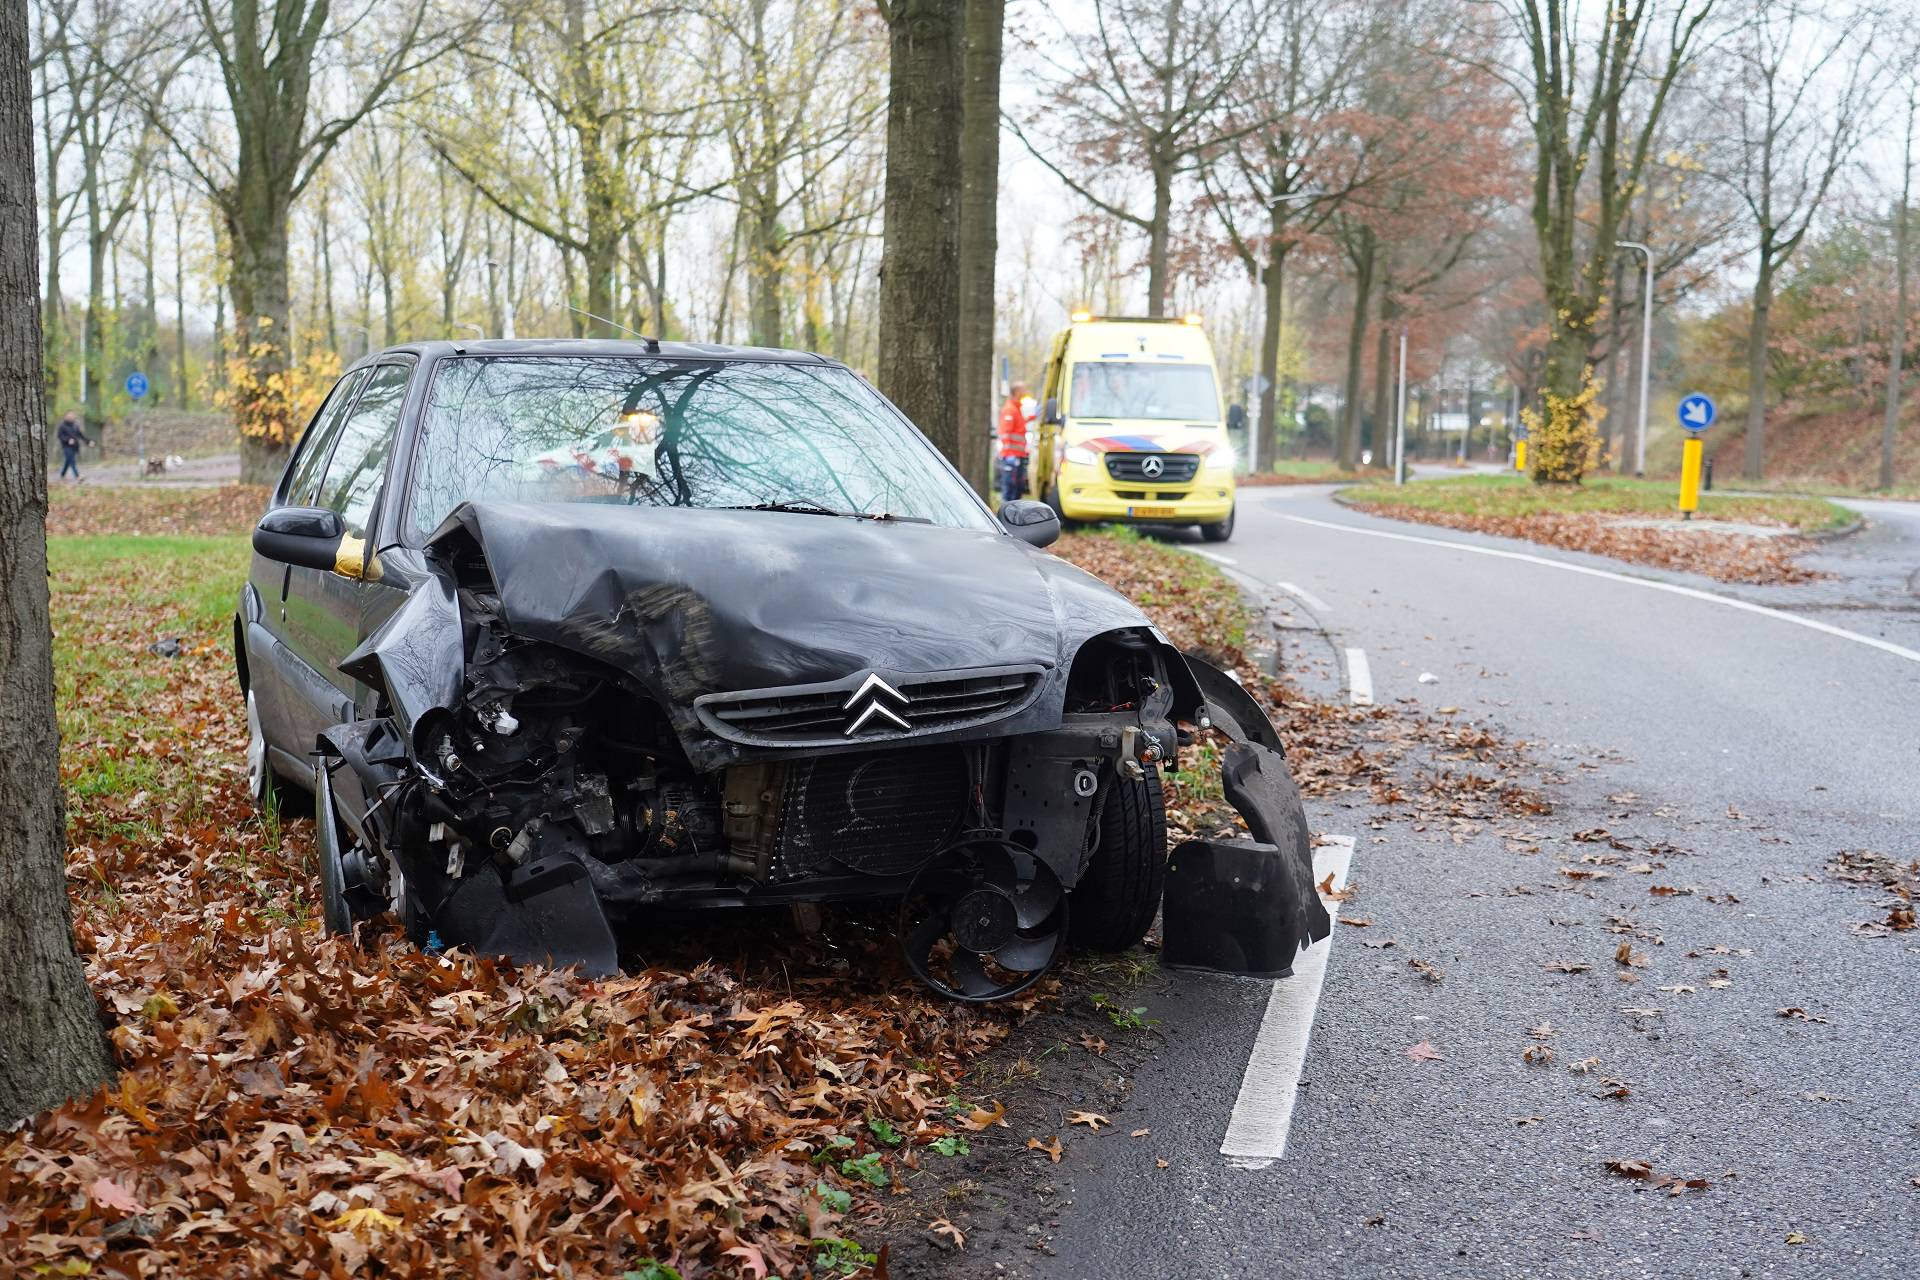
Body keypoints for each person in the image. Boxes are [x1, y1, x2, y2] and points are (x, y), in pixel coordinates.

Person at [996, 381, 1033, 503]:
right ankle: (1007, 512)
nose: (1025, 392)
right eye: (1023, 390)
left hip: (1018, 455)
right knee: (1010, 488)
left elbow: (1018, 427)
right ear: (1017, 392)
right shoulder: (1010, 409)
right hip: (1011, 456)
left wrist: (1031, 418)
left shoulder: (1016, 409)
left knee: (1017, 488)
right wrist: (1009, 455)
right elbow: (1005, 433)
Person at [56, 412, 92, 481]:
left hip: (75, 446)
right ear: (65, 416)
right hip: (66, 447)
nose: (71, 417)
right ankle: (77, 476)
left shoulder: (75, 425)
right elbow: (60, 436)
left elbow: (81, 435)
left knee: (68, 461)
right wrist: (68, 440)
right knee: (72, 461)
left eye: (72, 416)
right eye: (69, 416)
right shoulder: (62, 426)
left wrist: (88, 442)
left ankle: (62, 474)